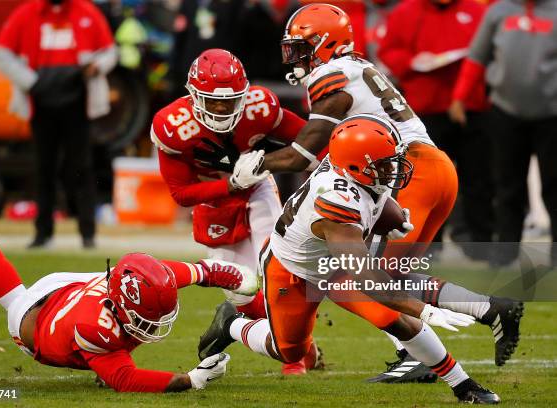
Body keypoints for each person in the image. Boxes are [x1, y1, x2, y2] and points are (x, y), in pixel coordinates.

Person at [222, 3, 522, 382]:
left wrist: (260, 164)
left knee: (359, 280)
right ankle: (490, 309)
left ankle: (421, 354)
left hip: (404, 171)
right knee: (395, 275)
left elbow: (303, 151)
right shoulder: (357, 67)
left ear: (324, 43)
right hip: (432, 168)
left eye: (301, 47)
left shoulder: (331, 74)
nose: (295, 57)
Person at [198, 115, 500, 404]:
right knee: (288, 351)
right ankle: (233, 324)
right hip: (294, 271)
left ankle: (463, 385)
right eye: (384, 164)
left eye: (392, 160)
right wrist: (424, 309)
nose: (393, 169)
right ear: (358, 167)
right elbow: (367, 276)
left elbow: (375, 198)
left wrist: (393, 218)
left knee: (399, 323)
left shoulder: (356, 170)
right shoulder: (336, 202)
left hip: (334, 264)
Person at [0, 164, 260, 392]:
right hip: (30, 321)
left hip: (74, 287)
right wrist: (191, 380)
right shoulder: (94, 328)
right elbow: (125, 380)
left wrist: (210, 272)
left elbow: (158, 277)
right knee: (14, 297)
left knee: (146, 275)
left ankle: (209, 269)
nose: (160, 322)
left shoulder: (119, 293)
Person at [151, 48, 319, 375]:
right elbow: (181, 194)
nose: (220, 108)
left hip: (257, 189)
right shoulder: (173, 125)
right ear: (193, 95)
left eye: (228, 102)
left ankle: (295, 355)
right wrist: (230, 185)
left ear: (243, 96)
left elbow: (310, 138)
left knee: (279, 268)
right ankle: (300, 344)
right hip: (213, 204)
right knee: (241, 291)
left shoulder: (259, 107)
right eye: (212, 101)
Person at [0, 0, 118, 249]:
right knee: (43, 168)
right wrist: (29, 81)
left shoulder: (86, 11)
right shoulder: (27, 13)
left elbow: (110, 51)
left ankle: (88, 234)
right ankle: (42, 233)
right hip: (41, 100)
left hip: (77, 100)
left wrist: (96, 67)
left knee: (82, 167)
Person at [449, 0, 557, 267]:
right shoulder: (498, 11)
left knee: (555, 187)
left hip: (552, 115)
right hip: (504, 113)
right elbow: (477, 57)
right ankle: (505, 252)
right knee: (507, 186)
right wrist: (459, 97)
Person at [378, 0, 494, 248]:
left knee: (478, 178)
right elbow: (387, 50)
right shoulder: (405, 11)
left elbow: (492, 52)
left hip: (471, 107)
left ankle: (481, 247)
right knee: (424, 183)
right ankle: (428, 246)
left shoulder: (477, 10)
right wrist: (412, 62)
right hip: (422, 111)